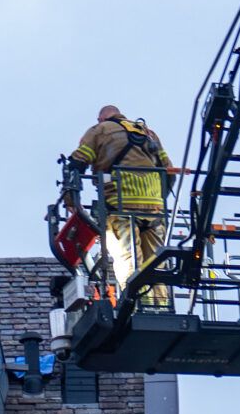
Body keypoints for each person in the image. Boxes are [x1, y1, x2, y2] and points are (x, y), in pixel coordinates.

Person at [69, 104, 173, 309]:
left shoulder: (99, 131)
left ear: (101, 119)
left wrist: (71, 202)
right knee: (156, 263)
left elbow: (76, 164)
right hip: (154, 209)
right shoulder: (148, 133)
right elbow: (169, 171)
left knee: (128, 258)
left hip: (120, 206)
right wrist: (160, 198)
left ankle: (133, 308)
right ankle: (160, 309)